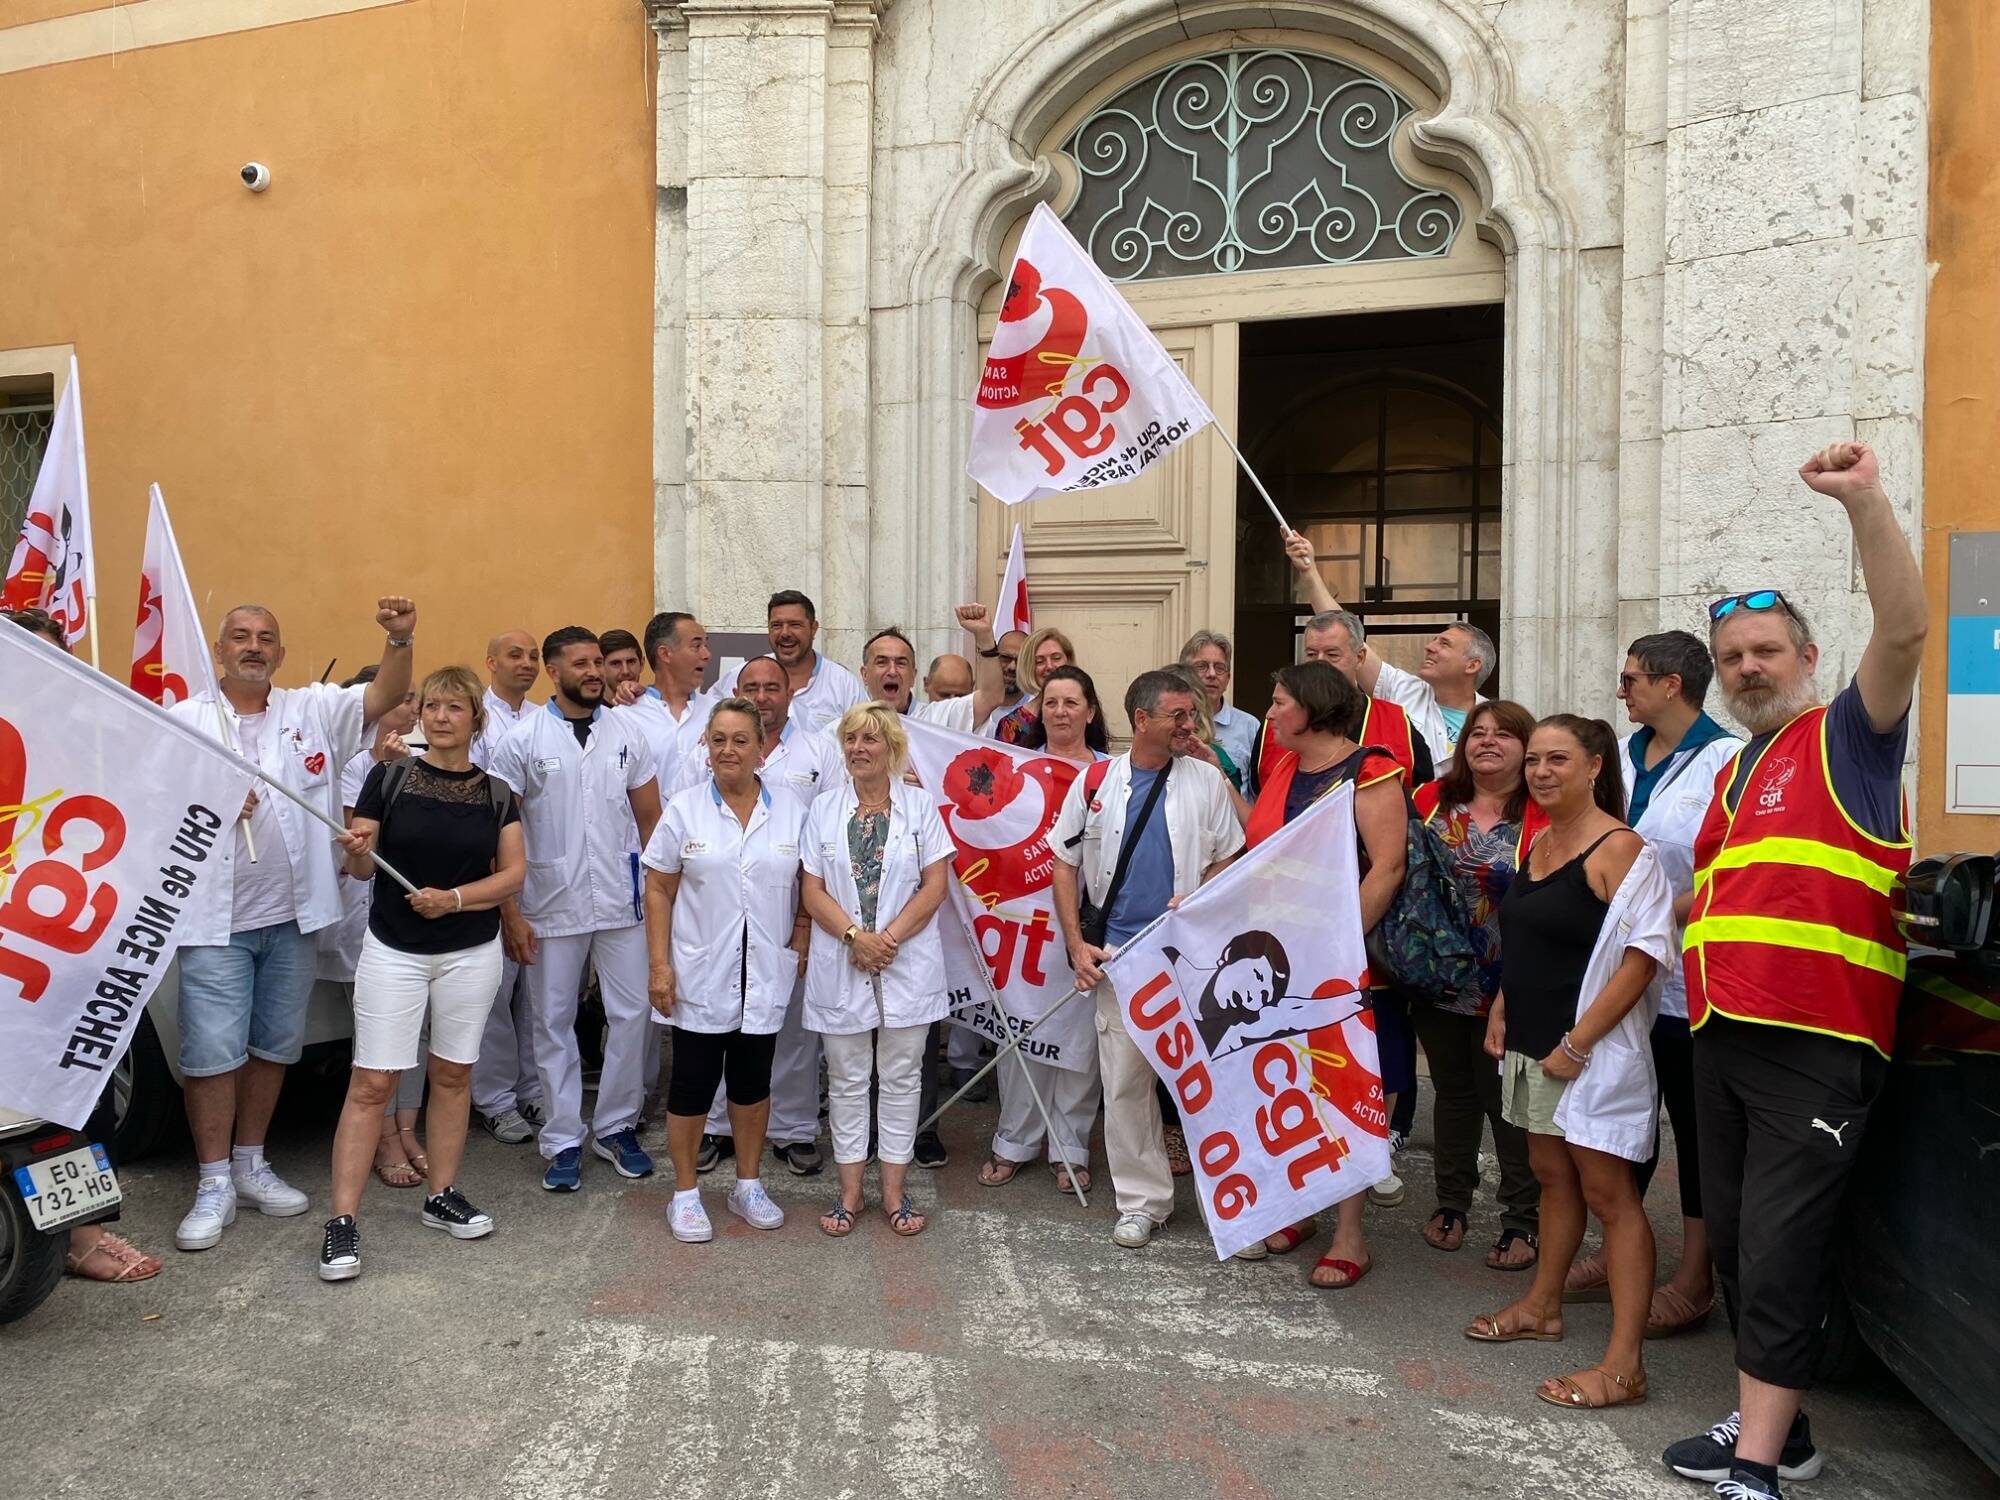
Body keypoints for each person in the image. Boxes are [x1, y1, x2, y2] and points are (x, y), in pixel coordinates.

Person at [1663, 442, 1925, 1500]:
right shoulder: (1738, 772)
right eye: (1730, 658)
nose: (1745, 670)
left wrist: (1861, 501)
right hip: (1723, 1035)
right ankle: (1784, 1426)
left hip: (1815, 1042)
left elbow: (1905, 629)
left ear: (1807, 658)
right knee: (1732, 1241)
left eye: (1764, 652)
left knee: (1776, 1249)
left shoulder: (1848, 738)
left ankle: (1757, 1472)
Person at [167, 597, 417, 1253]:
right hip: (215, 925)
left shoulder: (311, 712)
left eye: (267, 638)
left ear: (280, 653)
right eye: (241, 637)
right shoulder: (183, 723)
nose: (254, 646)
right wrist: (207, 797)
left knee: (275, 1047)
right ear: (220, 651)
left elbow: (386, 692)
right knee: (212, 1055)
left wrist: (399, 639)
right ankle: (213, 1180)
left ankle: (252, 1163)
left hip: (294, 920)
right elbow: (149, 807)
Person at [1466, 715, 1673, 1417]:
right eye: (1537, 762)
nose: (1543, 772)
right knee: (1553, 1178)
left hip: (1588, 1055)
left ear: (1594, 766)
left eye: (1559, 759)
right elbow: (1526, 937)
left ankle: (1624, 1364)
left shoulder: (1622, 847)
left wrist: (1580, 1042)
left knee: (1612, 1198)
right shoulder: (1541, 838)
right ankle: (1544, 1307)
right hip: (1530, 1045)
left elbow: (1646, 957)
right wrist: (1500, 1004)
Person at [317, 667, 527, 1280]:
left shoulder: (497, 793)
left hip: (470, 951)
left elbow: (513, 875)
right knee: (372, 1085)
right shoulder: (390, 777)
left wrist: (455, 899)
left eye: (454, 707)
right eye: (431, 705)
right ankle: (343, 1222)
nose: (439, 717)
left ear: (474, 719)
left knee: (454, 1076)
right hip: (394, 949)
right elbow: (361, 870)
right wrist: (355, 853)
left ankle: (442, 1195)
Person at [1564, 633, 1741, 1332]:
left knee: (1696, 1134)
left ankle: (1697, 1276)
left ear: (1673, 685)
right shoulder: (1620, 759)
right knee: (1620, 1117)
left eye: (1632, 678)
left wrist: (1649, 920)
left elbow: (1727, 871)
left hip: (1681, 985)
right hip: (1610, 981)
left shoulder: (1725, 761)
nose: (1621, 690)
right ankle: (1618, 1250)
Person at [1052, 670, 1244, 1249]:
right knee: (1127, 1085)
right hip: (1120, 961)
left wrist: (1203, 895)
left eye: (1192, 715)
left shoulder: (1207, 780)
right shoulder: (1094, 782)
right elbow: (1063, 865)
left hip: (1192, 962)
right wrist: (1074, 943)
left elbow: (1230, 856)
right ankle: (1142, 1201)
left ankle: (1232, 1208)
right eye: (1178, 716)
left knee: (1208, 1083)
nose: (1191, 725)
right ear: (1142, 720)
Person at [5, 607, 162, 1286]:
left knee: (79, 1086)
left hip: (68, 955)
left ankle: (84, 1234)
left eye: (53, 660)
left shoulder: (93, 744)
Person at [1246, 662, 1408, 1284]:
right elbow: (1260, 849)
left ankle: (1350, 1234)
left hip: (1346, 966)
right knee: (1294, 1086)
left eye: (1280, 701)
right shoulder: (1284, 765)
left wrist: (1336, 947)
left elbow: (1386, 868)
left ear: (1312, 708)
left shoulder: (1370, 769)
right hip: (1282, 961)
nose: (1271, 713)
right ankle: (1302, 1207)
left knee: (1349, 1094)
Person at [486, 627, 662, 1192]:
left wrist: (661, 899)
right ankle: (563, 1137)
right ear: (554, 672)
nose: (594, 672)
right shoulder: (521, 739)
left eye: (597, 663)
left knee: (632, 1015)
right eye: (580, 664)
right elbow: (502, 830)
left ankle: (615, 1126)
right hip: (549, 903)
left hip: (622, 900)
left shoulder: (629, 733)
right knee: (552, 1022)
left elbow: (651, 820)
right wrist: (510, 912)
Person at [671, 655, 843, 1175]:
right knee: (719, 1029)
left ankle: (792, 1130)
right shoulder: (700, 755)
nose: (764, 695)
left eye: (773, 686)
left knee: (785, 1034)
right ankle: (720, 1129)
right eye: (753, 687)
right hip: (715, 920)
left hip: (785, 918)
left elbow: (828, 836)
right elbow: (674, 837)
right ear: (738, 690)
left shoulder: (819, 750)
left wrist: (807, 925)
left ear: (791, 691)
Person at [642, 699, 807, 1242]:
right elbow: (660, 886)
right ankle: (686, 1194)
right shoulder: (684, 808)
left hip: (763, 969)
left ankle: (748, 1184)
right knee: (691, 1083)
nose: (729, 750)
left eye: (740, 740)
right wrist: (660, 966)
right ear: (705, 747)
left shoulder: (790, 809)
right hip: (698, 973)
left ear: (762, 747)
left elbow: (809, 883)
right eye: (719, 740)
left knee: (752, 1082)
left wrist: (802, 934)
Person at [799, 705, 955, 1237]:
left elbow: (936, 886)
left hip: (905, 958)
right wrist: (854, 938)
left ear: (891, 748)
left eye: (870, 740)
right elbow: (811, 889)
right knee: (844, 1080)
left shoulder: (920, 806)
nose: (859, 749)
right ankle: (848, 1194)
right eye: (850, 740)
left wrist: (886, 940)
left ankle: (892, 1192)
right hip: (843, 956)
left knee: (902, 1078)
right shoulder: (822, 809)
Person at [1410, 700, 1546, 1270]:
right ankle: (1452, 1203)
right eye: (1478, 733)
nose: (1488, 742)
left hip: (1515, 979)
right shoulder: (1428, 801)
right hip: (1439, 975)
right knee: (1454, 1092)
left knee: (1507, 1100)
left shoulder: (1544, 809)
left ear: (1526, 747)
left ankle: (1521, 1218)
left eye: (1504, 735)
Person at [979, 666, 1108, 1193]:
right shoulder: (1015, 770)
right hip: (1023, 924)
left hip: (1091, 921)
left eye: (1071, 702)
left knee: (1081, 1042)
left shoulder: (1111, 773)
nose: (1059, 711)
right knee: (1022, 1032)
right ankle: (1013, 1140)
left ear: (1090, 712)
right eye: (1050, 702)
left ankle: (1069, 1148)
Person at [324, 674, 430, 1187]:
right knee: (377, 1036)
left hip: (413, 913)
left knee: (418, 1031)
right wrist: (384, 770)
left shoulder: (419, 761)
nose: (413, 708)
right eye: (404, 699)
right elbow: (362, 840)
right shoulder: (351, 765)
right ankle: (384, 1137)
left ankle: (407, 1128)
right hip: (361, 913)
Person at [1286, 529, 1488, 759]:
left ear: (1472, 665)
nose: (1430, 647)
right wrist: (1309, 572)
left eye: (1445, 644)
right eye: (1434, 640)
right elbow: (1340, 632)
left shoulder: (1493, 721)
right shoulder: (1402, 690)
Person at [469, 628, 547, 1144]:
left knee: (536, 994)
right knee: (494, 992)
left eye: (534, 655)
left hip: (542, 873)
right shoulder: (477, 722)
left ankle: (532, 1087)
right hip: (488, 872)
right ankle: (494, 1098)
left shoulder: (545, 720)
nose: (526, 663)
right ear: (491, 661)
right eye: (515, 655)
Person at [1249, 605, 1435, 794]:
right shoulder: (1276, 723)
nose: (1320, 663)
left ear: (1360, 657)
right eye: (1311, 654)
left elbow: (1424, 796)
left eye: (1332, 655)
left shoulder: (1395, 721)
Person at [714, 590, 867, 734]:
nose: (785, 633)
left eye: (795, 625)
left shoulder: (843, 684)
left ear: (813, 629)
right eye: (777, 625)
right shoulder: (742, 676)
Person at [1179, 629, 1257, 772]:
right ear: (1184, 674)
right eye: (1202, 666)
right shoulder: (1171, 723)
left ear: (1228, 679)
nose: (1212, 674)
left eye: (1219, 667)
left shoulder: (1249, 726)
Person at [991, 626, 1075, 744]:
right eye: (1040, 661)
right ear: (1029, 667)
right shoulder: (1011, 725)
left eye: (1056, 658)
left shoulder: (1087, 708)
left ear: (1069, 660)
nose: (1049, 666)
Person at [598, 629, 645, 698]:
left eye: (631, 661)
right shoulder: (587, 708)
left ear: (642, 664)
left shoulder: (656, 704)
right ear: (601, 668)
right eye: (616, 663)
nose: (625, 671)